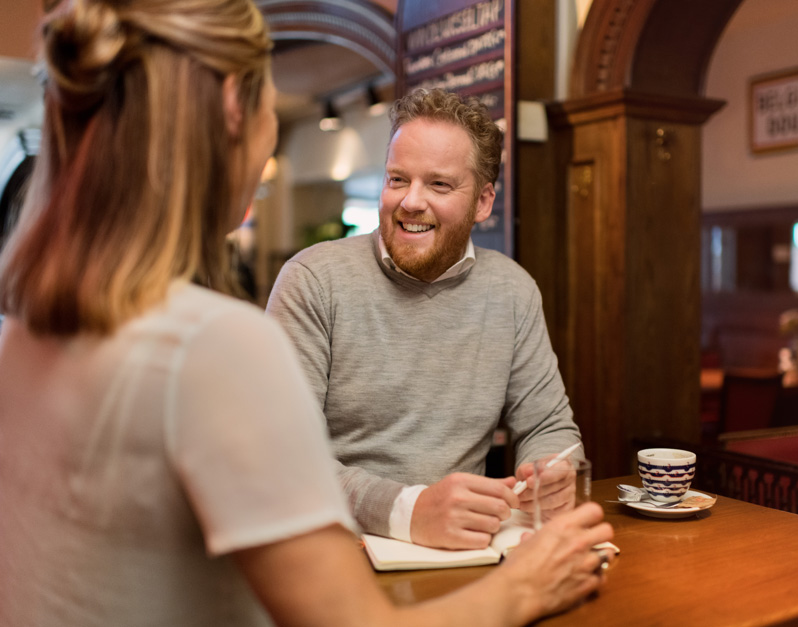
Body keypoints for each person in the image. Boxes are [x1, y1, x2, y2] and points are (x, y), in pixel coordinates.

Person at [0, 1, 613, 626]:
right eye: (271, 97)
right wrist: (527, 587)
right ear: (238, 109)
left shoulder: (18, 337)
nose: (411, 202)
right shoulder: (218, 345)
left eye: (440, 184)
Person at [266, 88, 583, 550]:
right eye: (398, 179)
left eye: (438, 184)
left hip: (462, 553)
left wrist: (551, 471)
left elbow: (547, 425)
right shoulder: (312, 280)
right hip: (333, 553)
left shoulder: (512, 290)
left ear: (482, 202)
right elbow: (283, 459)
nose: (410, 202)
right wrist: (408, 511)